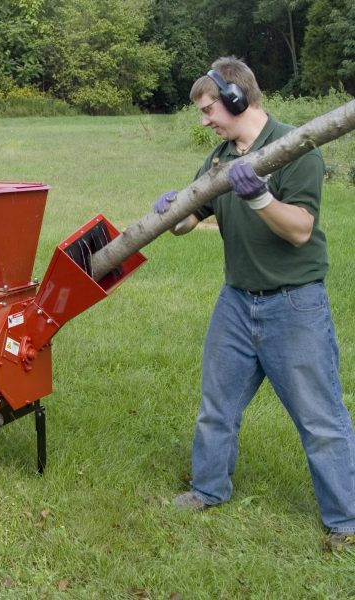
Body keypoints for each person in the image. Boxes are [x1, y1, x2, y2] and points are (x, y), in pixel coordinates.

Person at [153, 56, 355, 551]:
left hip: (294, 305)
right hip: (237, 303)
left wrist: (260, 197)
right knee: (216, 407)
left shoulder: (296, 148)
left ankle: (348, 522)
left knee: (320, 419)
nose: (204, 120)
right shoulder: (219, 158)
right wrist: (172, 210)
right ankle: (207, 489)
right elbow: (188, 221)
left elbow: (301, 230)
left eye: (208, 109)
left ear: (237, 98)